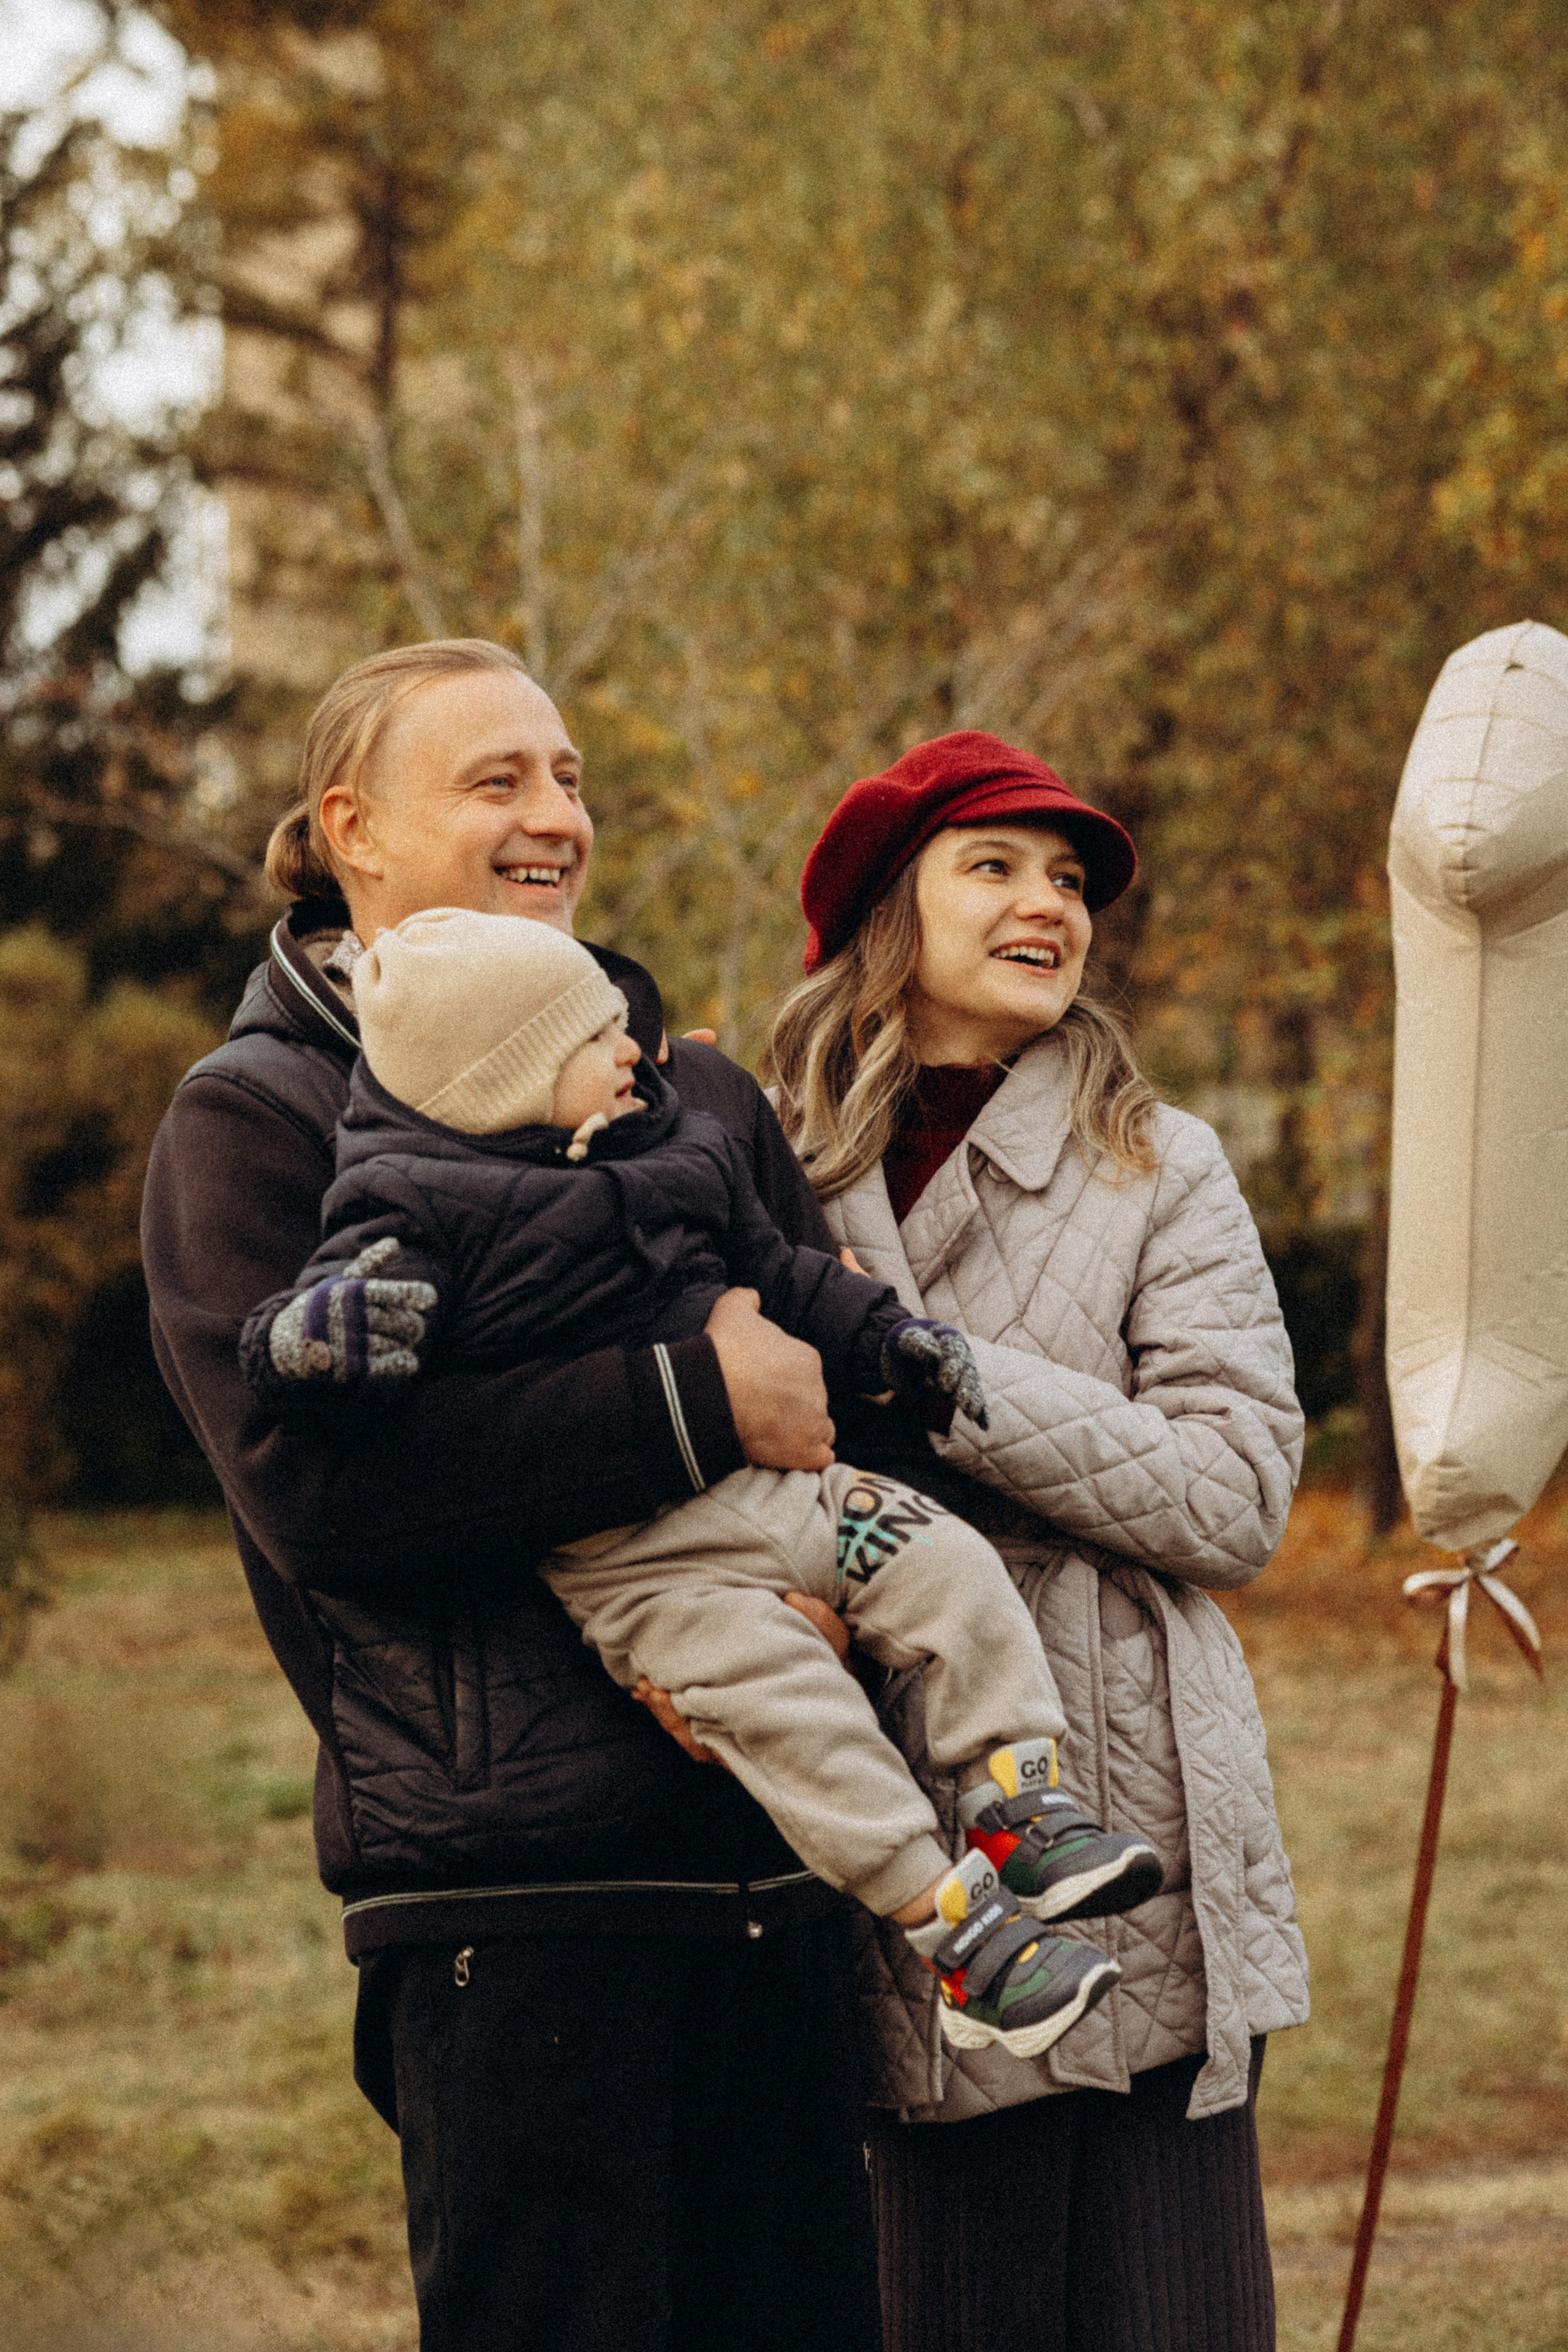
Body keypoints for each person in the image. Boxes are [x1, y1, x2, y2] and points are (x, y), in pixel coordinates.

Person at [142, 639, 883, 2352]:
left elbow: (833, 1381)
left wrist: (836, 1574)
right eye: (498, 782)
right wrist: (695, 1396)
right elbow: (326, 1501)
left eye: (569, 778)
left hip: (781, 1869)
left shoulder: (689, 1091)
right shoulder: (258, 1123)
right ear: (354, 831)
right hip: (517, 1912)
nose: (558, 815)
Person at [238, 903, 1168, 2055]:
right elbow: (323, 1329)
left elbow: (779, 1270)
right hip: (645, 1573)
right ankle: (957, 1932)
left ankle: (1018, 1791)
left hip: (786, 1494)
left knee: (946, 1561)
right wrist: (311, 1342)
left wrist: (885, 1336)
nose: (631, 1048)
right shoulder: (421, 1203)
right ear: (505, 1079)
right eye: (593, 1041)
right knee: (799, 1722)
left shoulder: (679, 1150)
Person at [764, 731, 1310, 2352]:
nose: (1048, 905)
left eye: (1068, 879)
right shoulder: (767, 1163)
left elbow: (1233, 1496)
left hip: (1136, 1828)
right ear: (888, 909)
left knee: (1175, 2317)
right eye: (994, 867)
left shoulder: (1162, 1162)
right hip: (881, 1837)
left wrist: (939, 1383)